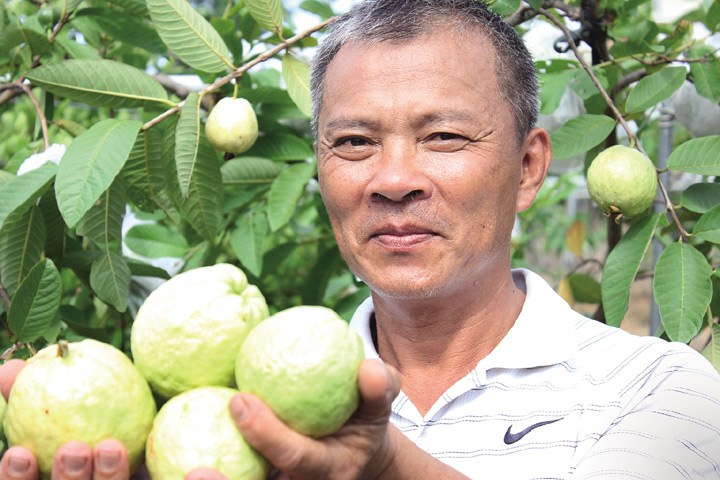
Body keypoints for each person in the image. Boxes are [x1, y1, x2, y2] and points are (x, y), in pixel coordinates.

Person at [2, 0, 720, 478]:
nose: (394, 179)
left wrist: (382, 467)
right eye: (353, 142)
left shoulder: (660, 389)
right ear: (320, 169)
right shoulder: (242, 412)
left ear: (529, 167)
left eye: (443, 137)